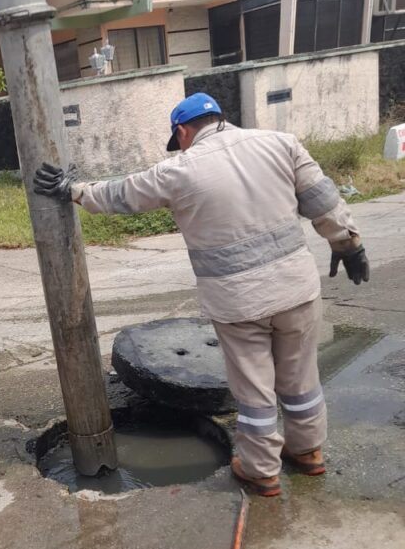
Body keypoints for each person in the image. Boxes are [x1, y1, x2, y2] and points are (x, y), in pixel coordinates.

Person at [34, 92, 369, 497]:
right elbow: (324, 201)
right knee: (301, 380)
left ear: (182, 131)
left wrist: (72, 189)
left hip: (237, 303)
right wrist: (348, 246)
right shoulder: (281, 143)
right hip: (296, 290)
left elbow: (119, 195)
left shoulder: (179, 169)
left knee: (255, 392)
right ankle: (308, 452)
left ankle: (261, 471)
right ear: (220, 119)